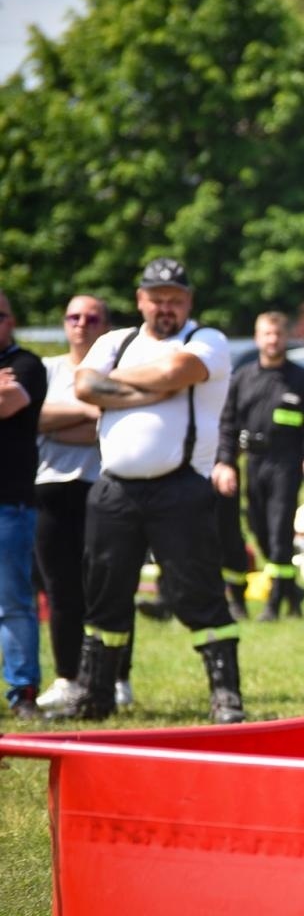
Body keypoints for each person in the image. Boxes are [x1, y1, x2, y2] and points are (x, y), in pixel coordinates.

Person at [59, 258, 242, 723]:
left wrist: (116, 387)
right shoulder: (114, 342)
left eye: (175, 300)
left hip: (180, 489)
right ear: (140, 300)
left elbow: (173, 373)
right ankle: (95, 695)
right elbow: (84, 384)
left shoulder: (207, 340)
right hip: (115, 490)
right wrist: (149, 390)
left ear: (189, 302)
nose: (166, 309)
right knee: (104, 595)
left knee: (197, 592)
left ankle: (225, 695)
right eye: (157, 299)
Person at [34, 295, 135, 712]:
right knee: (61, 591)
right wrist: (91, 405)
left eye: (92, 317)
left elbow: (115, 423)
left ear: (105, 326)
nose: (82, 324)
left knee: (110, 588)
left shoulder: (120, 371)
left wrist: (65, 422)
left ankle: (116, 678)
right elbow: (34, 418)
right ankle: (67, 677)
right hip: (50, 490)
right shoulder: (46, 370)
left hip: (104, 488)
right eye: (74, 316)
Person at [213, 311, 304, 622]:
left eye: (277, 334)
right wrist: (225, 462)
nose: (272, 340)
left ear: (286, 337)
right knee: (259, 530)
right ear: (257, 337)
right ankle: (292, 593)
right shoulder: (243, 378)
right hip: (253, 462)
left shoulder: (302, 380)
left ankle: (274, 603)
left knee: (279, 532)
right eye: (267, 334)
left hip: (285, 462)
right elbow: (227, 424)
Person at [0, 288, 47, 719]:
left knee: (12, 602)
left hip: (9, 505)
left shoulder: (27, 366)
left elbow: (8, 403)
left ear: (10, 320)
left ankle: (22, 691)